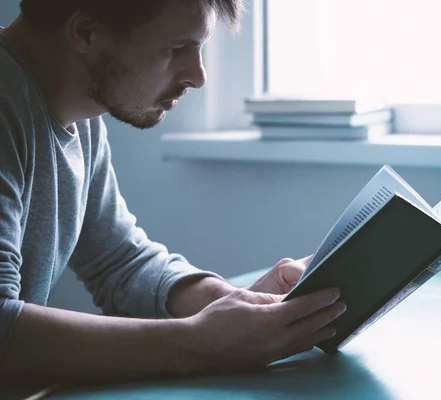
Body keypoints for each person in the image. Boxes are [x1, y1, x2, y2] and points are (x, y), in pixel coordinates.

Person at [0, 0, 346, 385]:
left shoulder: (79, 114)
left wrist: (234, 303)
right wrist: (200, 342)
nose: (198, 76)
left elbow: (119, 262)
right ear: (85, 32)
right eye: (177, 48)